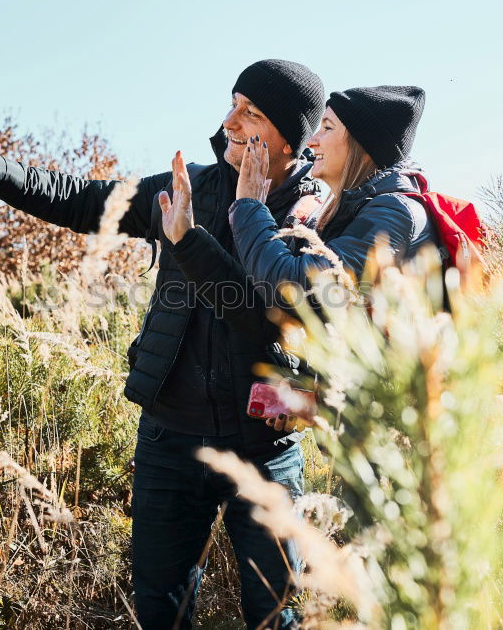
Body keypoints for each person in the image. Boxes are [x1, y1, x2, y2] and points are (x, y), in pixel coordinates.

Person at [0, 59, 325, 629]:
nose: (229, 121)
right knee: (160, 608)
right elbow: (85, 200)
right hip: (170, 436)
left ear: (289, 140)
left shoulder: (312, 218)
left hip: (263, 444)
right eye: (232, 103)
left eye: (251, 113)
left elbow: (287, 324)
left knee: (273, 614)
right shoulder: (188, 187)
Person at [159, 85, 437, 433]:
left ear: (362, 145)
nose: (313, 141)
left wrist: (249, 206)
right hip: (376, 432)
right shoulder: (354, 210)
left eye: (327, 128)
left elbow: (293, 289)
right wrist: (307, 393)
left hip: (405, 444)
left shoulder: (393, 212)